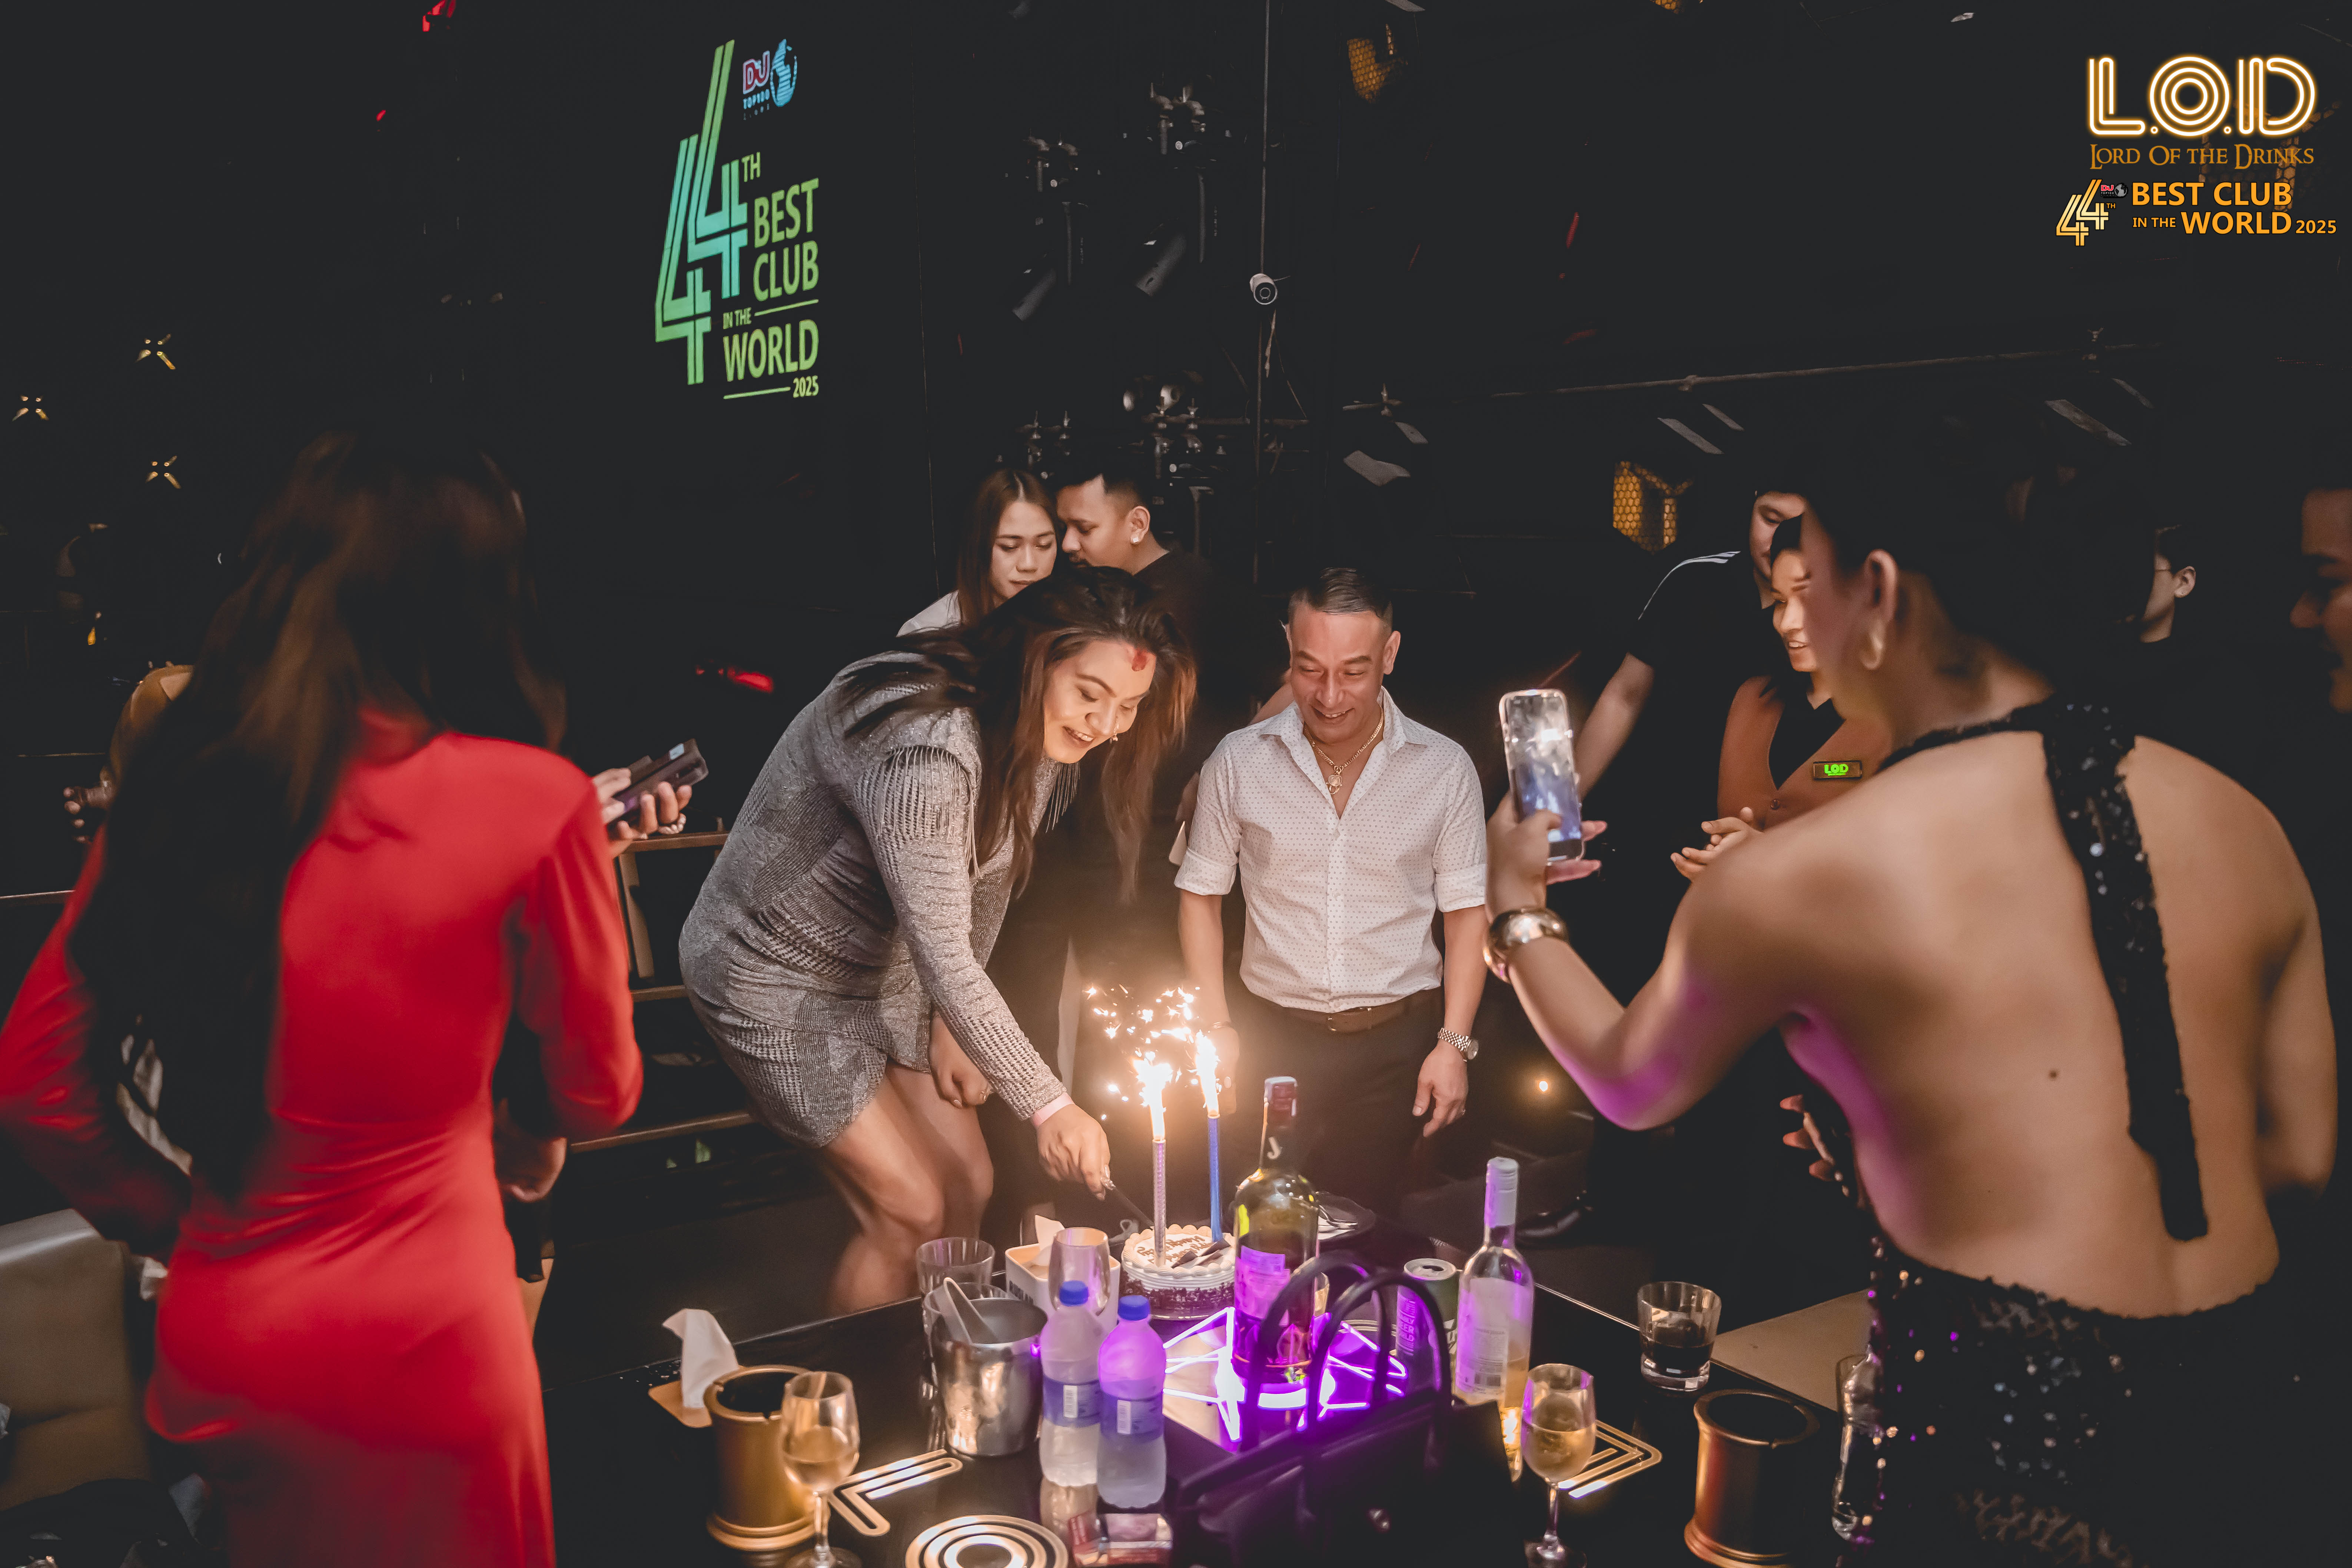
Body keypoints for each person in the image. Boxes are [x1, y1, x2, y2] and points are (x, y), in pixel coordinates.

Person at [1484, 409, 2332, 1562]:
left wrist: (1515, 907)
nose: (1790, 612)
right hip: (2248, 1426)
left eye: (1808, 583)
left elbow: (1630, 1083)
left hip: (2007, 1453)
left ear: (1877, 593)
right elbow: (2297, 1156)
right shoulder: (2245, 824)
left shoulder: (1811, 871)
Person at [0, 426, 660, 1568]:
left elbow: (36, 1083)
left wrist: (183, 1221)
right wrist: (526, 1109)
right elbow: (598, 1090)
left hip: (237, 1333)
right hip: (432, 1337)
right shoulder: (534, 801)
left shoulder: (181, 794)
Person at [681, 565, 1195, 1313]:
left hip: (886, 973)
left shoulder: (1033, 729)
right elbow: (944, 952)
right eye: (1090, 693)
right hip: (771, 975)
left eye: (1128, 705)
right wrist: (1050, 1105)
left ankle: (949, 1360)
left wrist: (952, 1024)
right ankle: (860, 1383)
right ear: (1037, 657)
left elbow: (989, 880)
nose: (1105, 725)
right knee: (910, 1212)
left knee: (970, 1184)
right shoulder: (928, 750)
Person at [1175, 568, 1496, 1218]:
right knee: (1254, 1223)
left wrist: (1453, 1045)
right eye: (1308, 669)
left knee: (1365, 1224)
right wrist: (1216, 1026)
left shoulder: (1444, 769)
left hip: (1394, 1047)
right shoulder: (1237, 761)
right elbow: (1199, 897)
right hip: (1268, 1035)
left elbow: (1467, 916)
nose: (1328, 696)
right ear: (1288, 649)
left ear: (1390, 654)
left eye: (1353, 672)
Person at [1673, 518, 1890, 880]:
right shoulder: (1752, 700)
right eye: (1780, 601)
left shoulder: (1900, 720)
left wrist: (1763, 855)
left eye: (1808, 599)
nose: (1788, 622)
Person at [900, 466, 1059, 635]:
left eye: (1044, 545)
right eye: (1009, 547)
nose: (1029, 564)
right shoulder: (927, 634)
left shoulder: (1067, 620)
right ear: (978, 545)